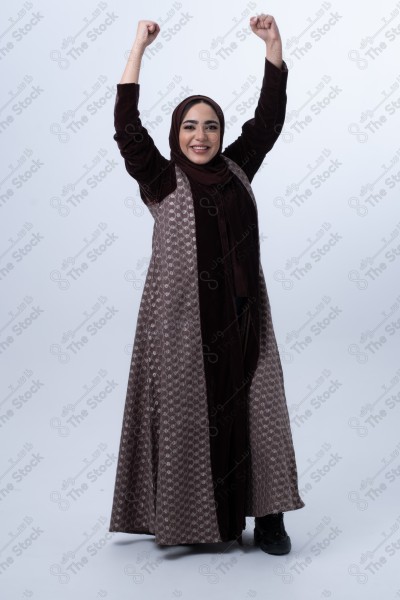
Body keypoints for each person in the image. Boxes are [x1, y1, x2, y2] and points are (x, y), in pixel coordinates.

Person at [109, 14, 305, 554]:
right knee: (187, 424)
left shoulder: (239, 168)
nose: (201, 136)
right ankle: (185, 520)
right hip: (181, 329)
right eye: (190, 127)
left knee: (261, 414)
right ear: (176, 135)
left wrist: (273, 48)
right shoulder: (160, 177)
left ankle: (269, 515)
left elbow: (267, 123)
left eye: (211, 126)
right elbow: (127, 127)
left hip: (244, 323)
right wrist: (137, 50)